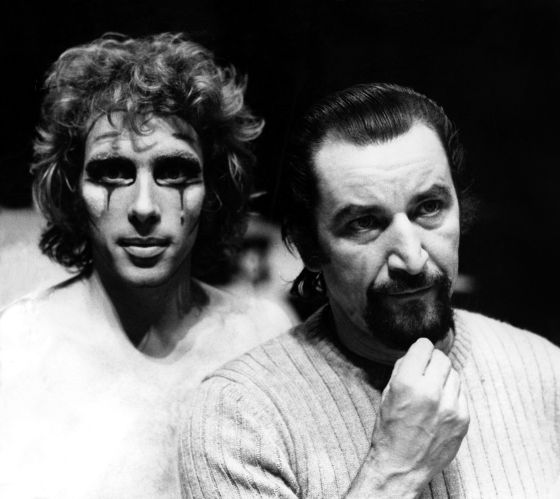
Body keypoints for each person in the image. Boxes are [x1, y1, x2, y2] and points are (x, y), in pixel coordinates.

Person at [179, 83, 560, 498]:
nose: (411, 259)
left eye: (429, 208)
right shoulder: (241, 418)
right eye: (365, 223)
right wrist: (396, 469)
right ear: (309, 246)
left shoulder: (545, 371)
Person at [0, 33, 293, 498]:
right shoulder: (18, 350)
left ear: (212, 191)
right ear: (73, 190)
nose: (143, 207)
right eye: (113, 171)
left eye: (173, 172)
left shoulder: (263, 338)